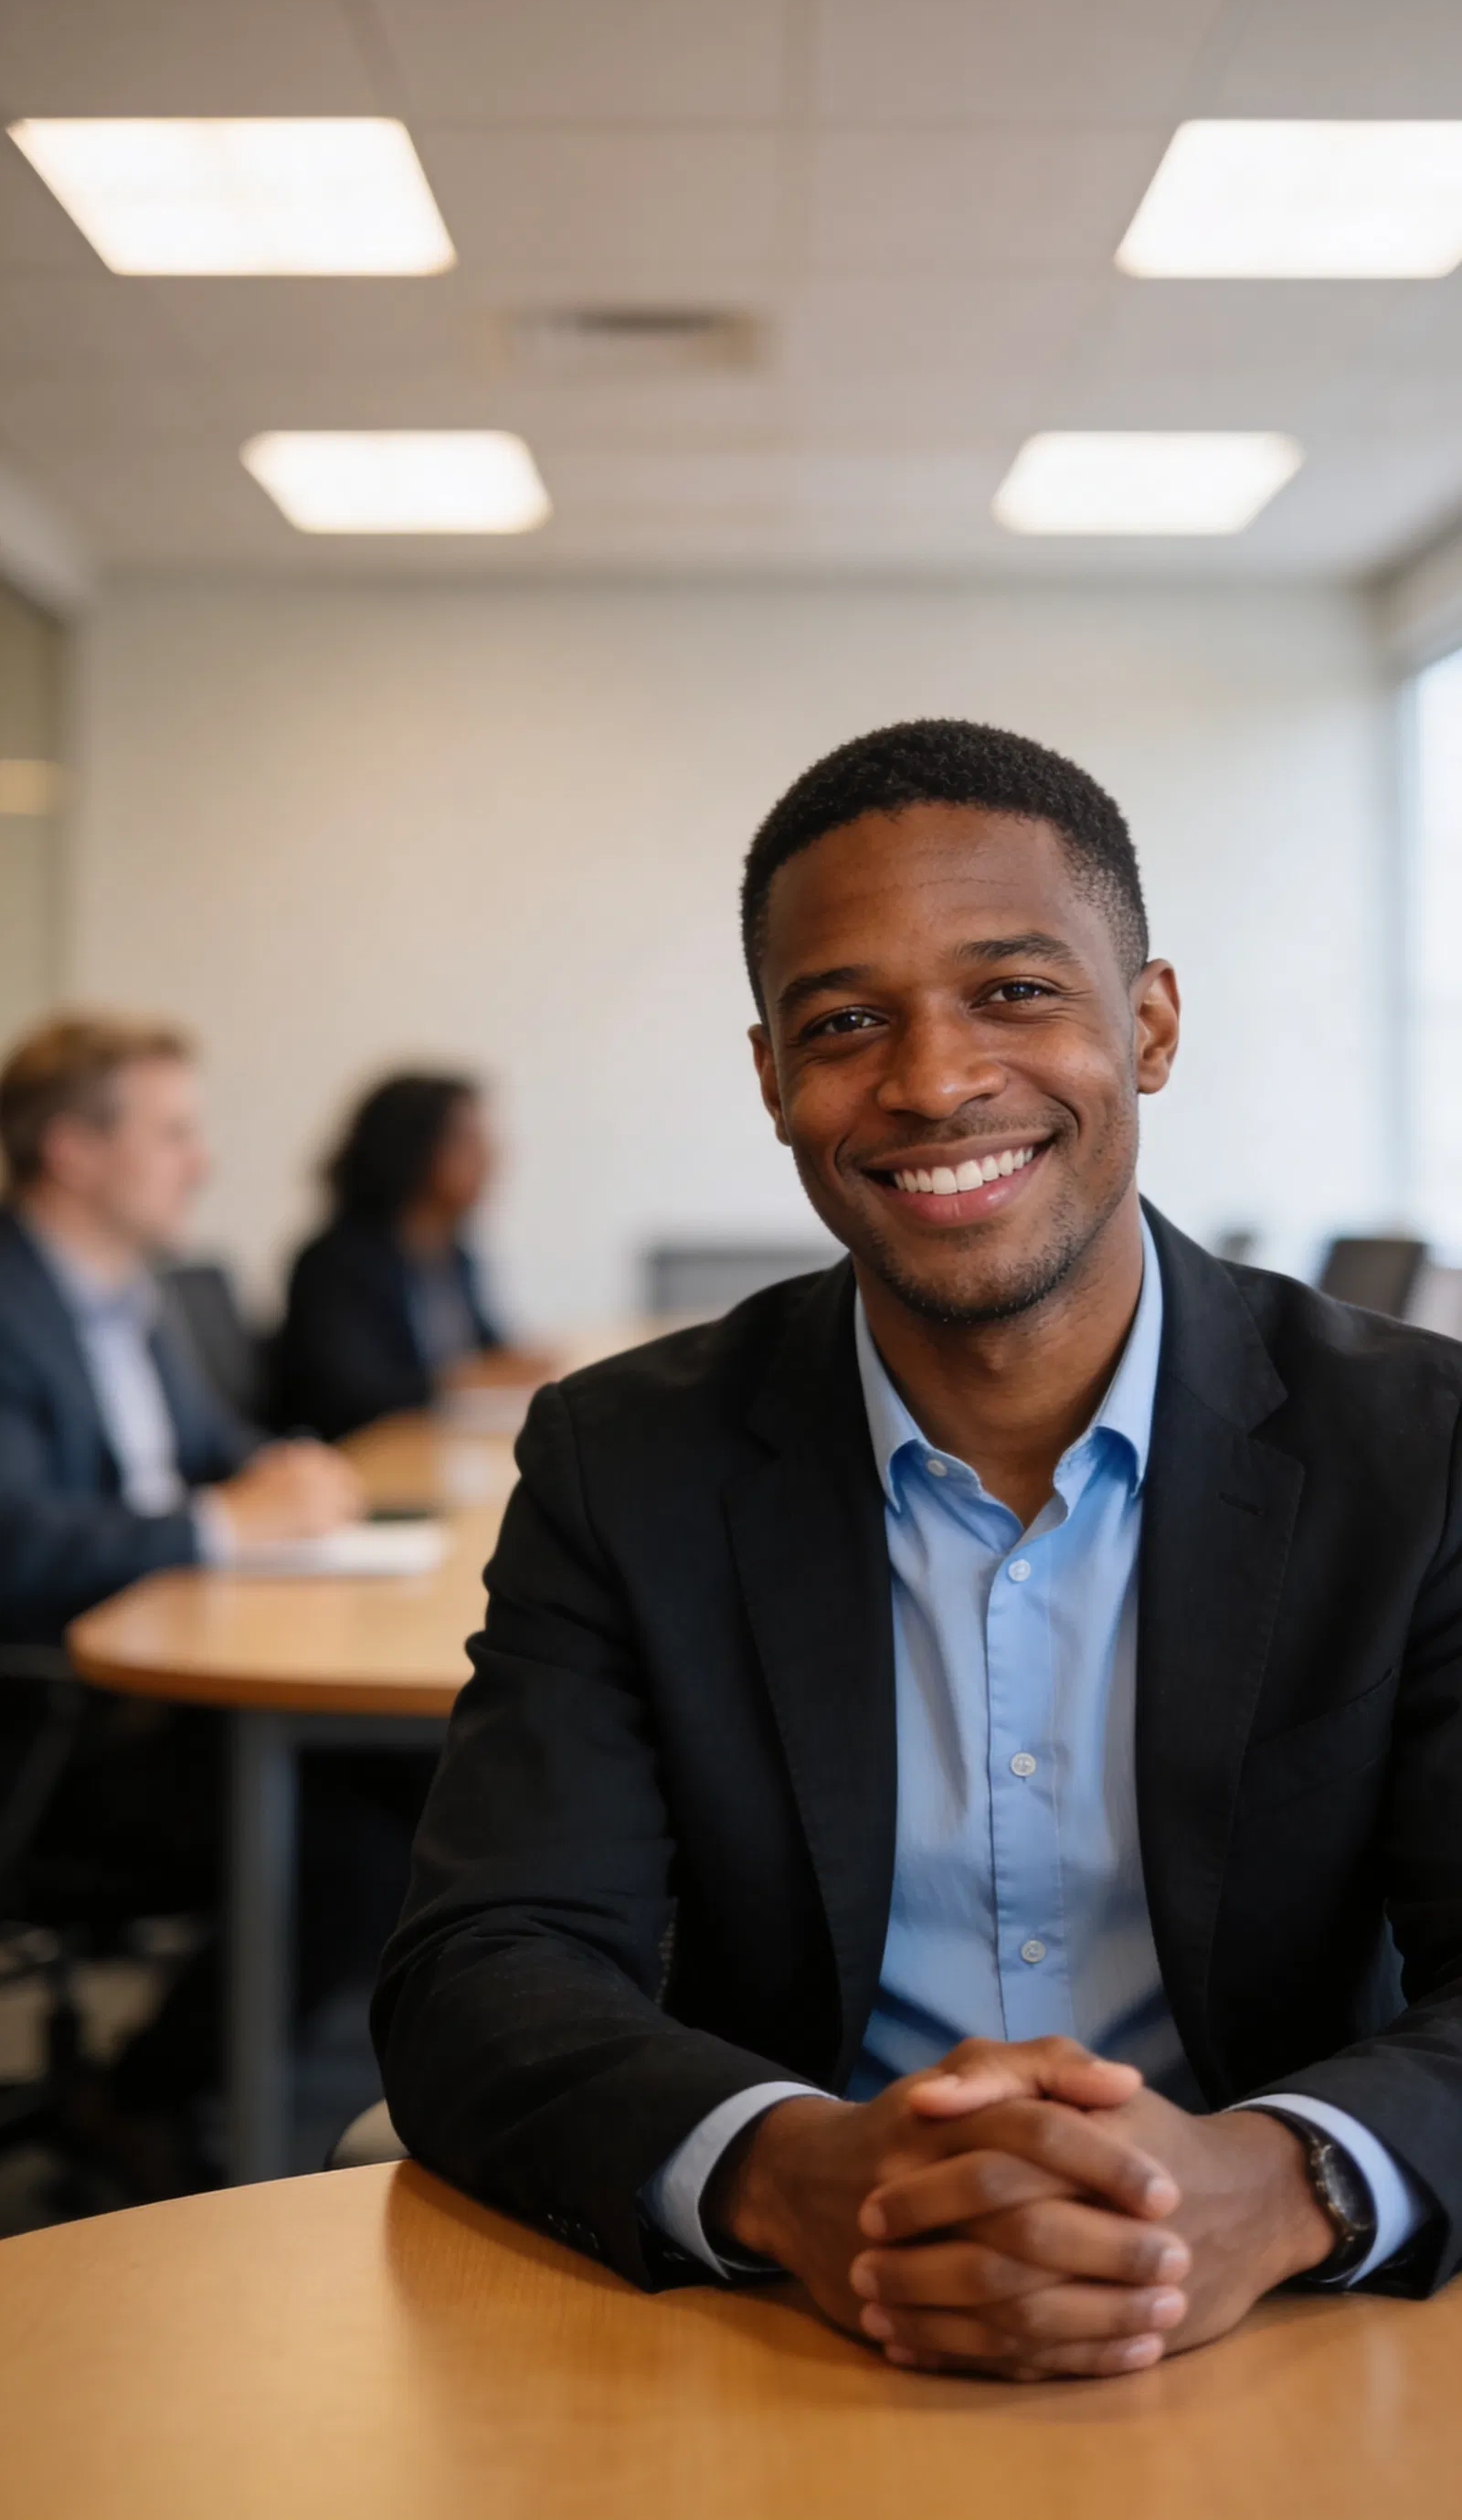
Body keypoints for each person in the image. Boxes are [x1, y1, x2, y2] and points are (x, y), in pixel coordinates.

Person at [373, 720, 1462, 2383]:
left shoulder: (1421, 1444)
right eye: (846, 1020)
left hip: (1283, 2336)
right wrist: (794, 2169)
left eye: (1015, 989)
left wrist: (1281, 2176)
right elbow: (486, 1963)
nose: (936, 1078)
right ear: (770, 1077)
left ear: (1150, 1022)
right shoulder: (628, 1457)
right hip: (783, 2331)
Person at [0, 1011, 365, 2191]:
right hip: (50, 1740)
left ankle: (166, 2084)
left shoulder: (128, 1298)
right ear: (72, 1150)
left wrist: (286, 1471)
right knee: (360, 1835)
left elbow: (214, 1451)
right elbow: (13, 1548)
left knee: (413, 1784)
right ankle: (145, 2095)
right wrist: (225, 1522)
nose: (199, 1160)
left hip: (144, 1708)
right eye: (171, 1133)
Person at [273, 1072, 537, 1442]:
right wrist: (463, 1381)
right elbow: (350, 1398)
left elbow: (489, 1349)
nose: (491, 1159)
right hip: (370, 1465)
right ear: (413, 1151)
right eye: (469, 1143)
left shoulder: (456, 1255)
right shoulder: (333, 1263)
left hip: (444, 1449)